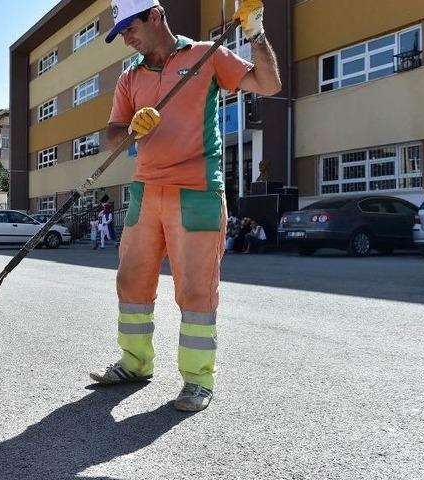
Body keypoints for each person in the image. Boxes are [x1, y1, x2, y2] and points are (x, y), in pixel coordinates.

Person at [89, 0, 281, 412]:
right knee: (131, 284)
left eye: (129, 27)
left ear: (155, 16)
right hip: (145, 192)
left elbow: (267, 84)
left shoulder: (205, 56)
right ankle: (134, 363)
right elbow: (111, 137)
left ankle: (197, 380)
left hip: (196, 190)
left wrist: (256, 33)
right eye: (120, 32)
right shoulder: (130, 78)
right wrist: (130, 130)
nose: (126, 37)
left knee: (195, 290)